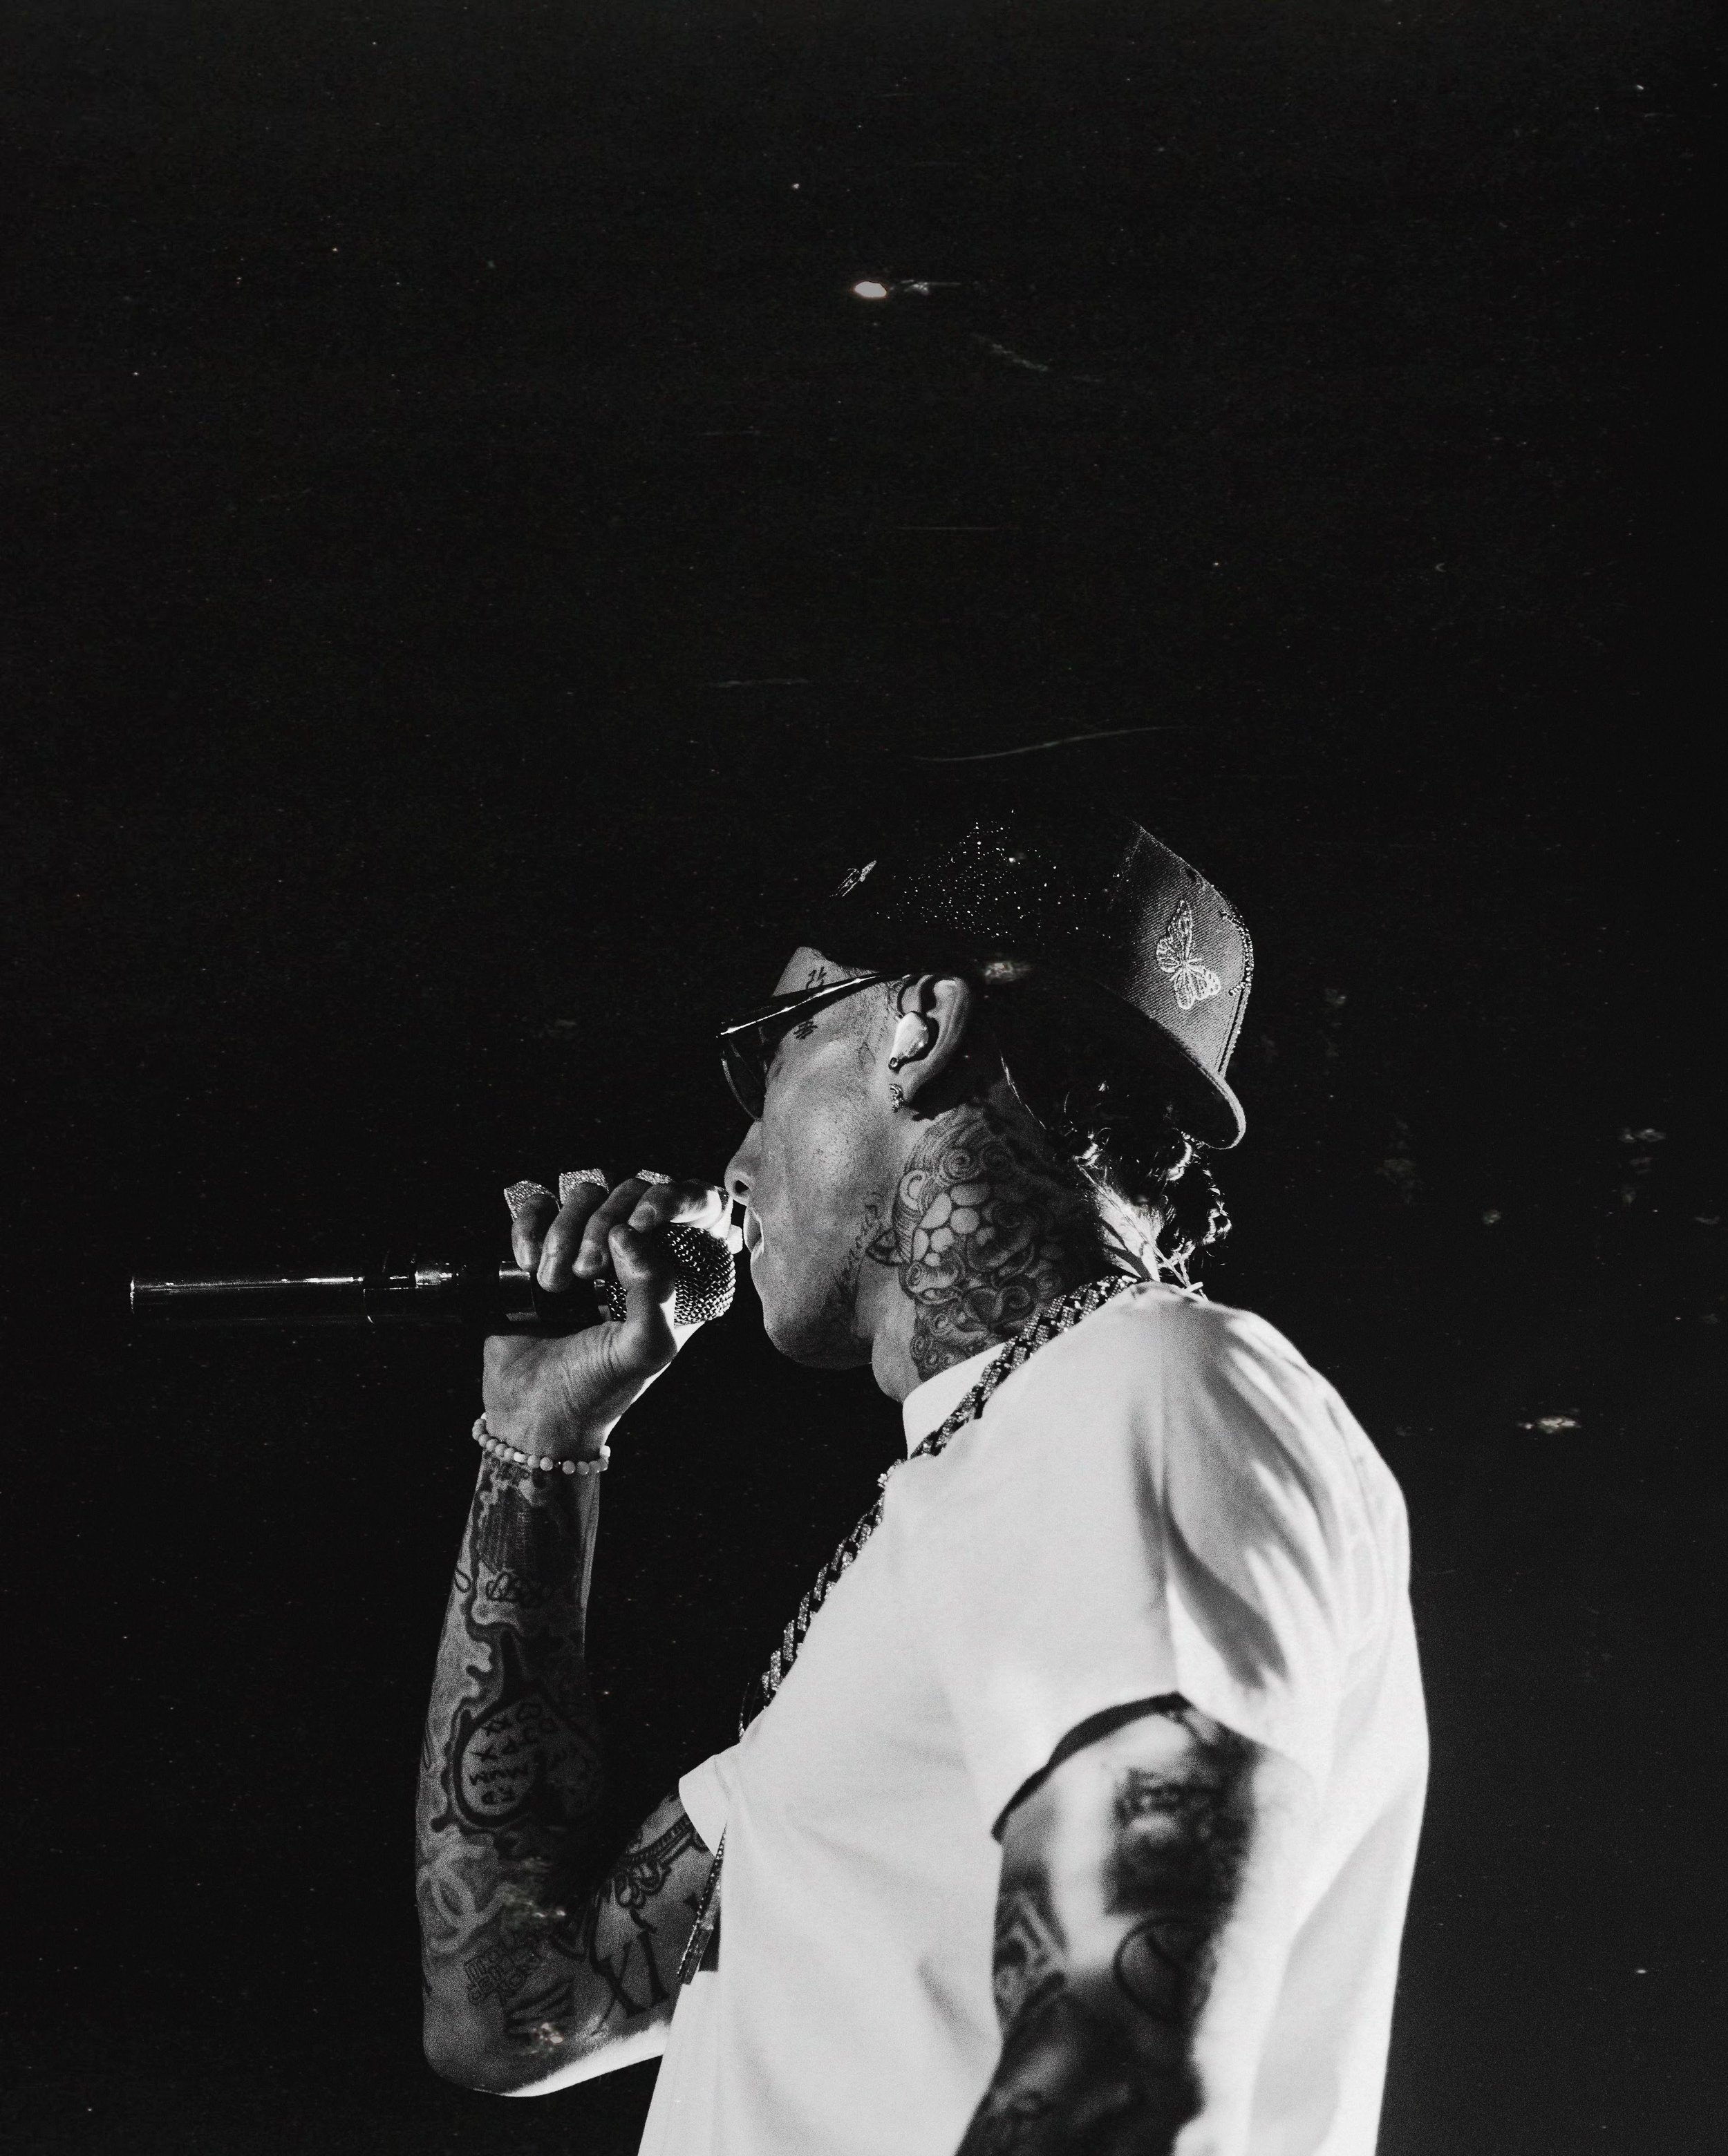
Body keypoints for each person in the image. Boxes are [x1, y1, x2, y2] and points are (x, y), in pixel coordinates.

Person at [415, 807, 1428, 2155]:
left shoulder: (1139, 1392)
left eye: (773, 1047)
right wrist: (535, 1448)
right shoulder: (1001, 1467)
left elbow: (1120, 2077)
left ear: (921, 1026)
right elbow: (512, 2008)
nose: (732, 1156)